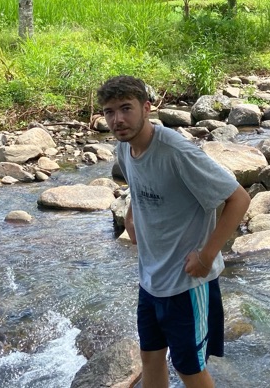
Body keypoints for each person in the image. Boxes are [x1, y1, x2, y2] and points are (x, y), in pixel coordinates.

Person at [96, 75, 251, 388]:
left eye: (126, 108)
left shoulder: (176, 151)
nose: (118, 120)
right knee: (151, 357)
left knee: (189, 369)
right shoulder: (124, 148)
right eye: (110, 112)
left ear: (147, 108)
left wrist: (207, 256)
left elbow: (239, 199)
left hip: (187, 283)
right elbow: (138, 183)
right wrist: (130, 215)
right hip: (151, 279)